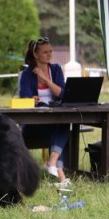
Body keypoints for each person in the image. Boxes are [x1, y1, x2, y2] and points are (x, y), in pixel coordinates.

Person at [19, 36, 71, 187]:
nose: (49, 55)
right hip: (34, 126)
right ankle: (60, 175)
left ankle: (52, 163)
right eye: (45, 52)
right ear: (36, 55)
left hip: (53, 121)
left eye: (51, 51)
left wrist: (45, 79)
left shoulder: (55, 70)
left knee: (63, 123)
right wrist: (31, 99)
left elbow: (61, 94)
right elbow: (24, 98)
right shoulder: (27, 74)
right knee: (60, 127)